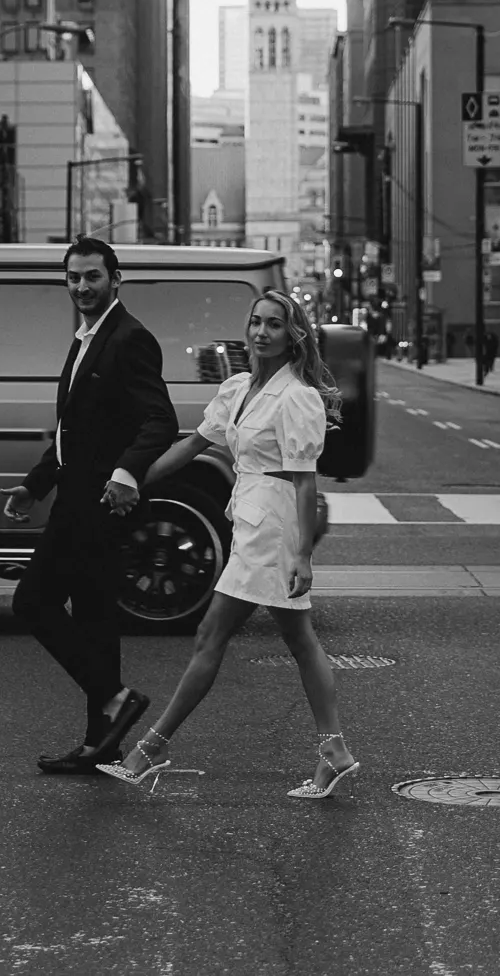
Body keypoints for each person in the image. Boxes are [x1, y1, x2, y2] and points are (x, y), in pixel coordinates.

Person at [104, 288, 359, 799]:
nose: (261, 332)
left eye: (274, 325)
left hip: (273, 529)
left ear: (293, 336)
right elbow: (194, 444)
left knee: (211, 635)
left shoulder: (297, 398)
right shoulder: (238, 387)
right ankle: (335, 752)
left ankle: (151, 748)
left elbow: (306, 483)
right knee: (300, 640)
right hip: (249, 518)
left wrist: (303, 554)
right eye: (255, 322)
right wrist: (134, 480)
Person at [4, 239, 180, 775]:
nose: (82, 287)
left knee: (31, 604)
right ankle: (100, 744)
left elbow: (161, 420)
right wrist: (36, 484)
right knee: (97, 620)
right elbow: (72, 432)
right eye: (74, 278)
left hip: (94, 506)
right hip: (75, 498)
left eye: (93, 277)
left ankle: (114, 697)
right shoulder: (86, 338)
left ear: (115, 279)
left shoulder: (129, 339)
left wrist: (126, 472)